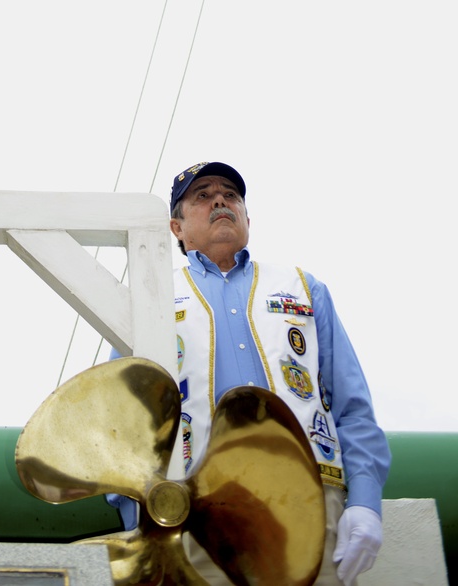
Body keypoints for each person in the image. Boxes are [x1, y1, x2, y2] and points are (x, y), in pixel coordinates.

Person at [110, 160, 389, 586]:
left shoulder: (304, 287)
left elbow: (352, 406)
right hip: (193, 511)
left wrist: (366, 501)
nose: (220, 199)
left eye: (231, 194)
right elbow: (119, 426)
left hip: (311, 502)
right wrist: (143, 517)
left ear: (247, 218)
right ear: (176, 228)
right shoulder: (148, 302)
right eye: (201, 196)